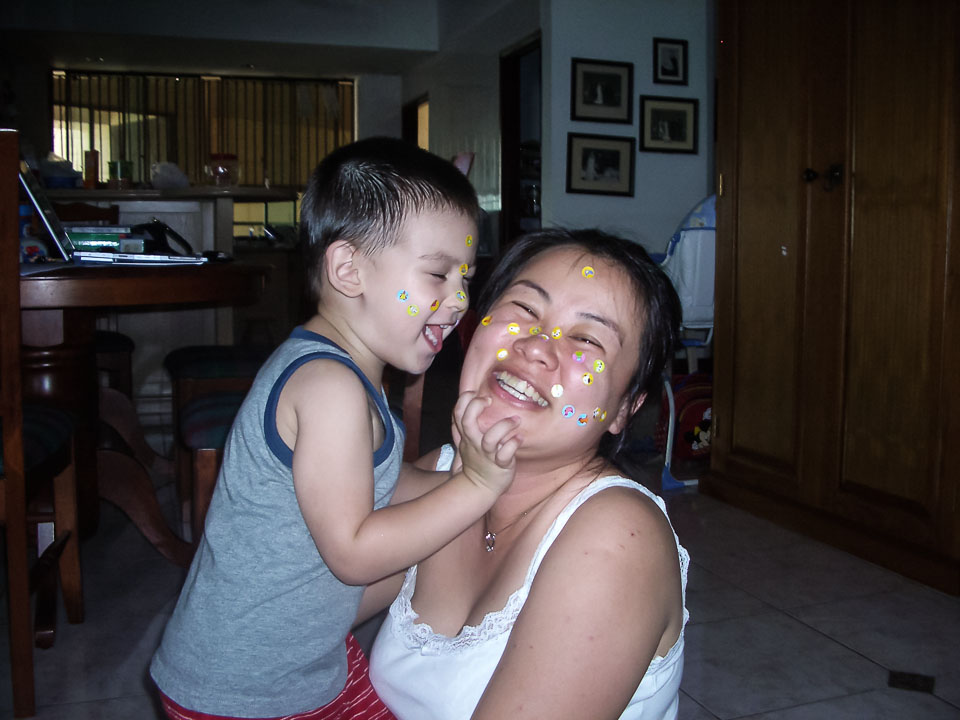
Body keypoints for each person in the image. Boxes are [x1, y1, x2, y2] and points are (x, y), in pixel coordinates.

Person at [150, 137, 522, 720]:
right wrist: (475, 488)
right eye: (437, 274)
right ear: (348, 269)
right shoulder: (330, 388)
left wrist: (466, 476)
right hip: (244, 689)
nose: (458, 301)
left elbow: (383, 486)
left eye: (465, 278)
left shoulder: (349, 374)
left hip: (296, 656)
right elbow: (354, 553)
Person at [363, 228, 690, 720]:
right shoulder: (439, 474)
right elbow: (294, 620)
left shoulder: (617, 539)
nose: (537, 345)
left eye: (586, 339)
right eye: (524, 309)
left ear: (625, 408)